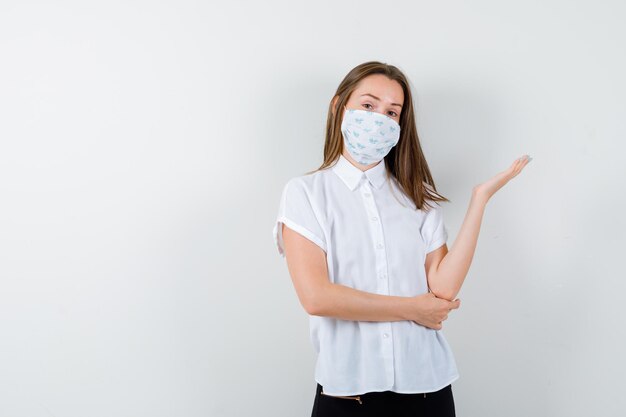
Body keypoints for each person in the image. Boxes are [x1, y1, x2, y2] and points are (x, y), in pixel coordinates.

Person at [272, 61, 531, 417]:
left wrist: (479, 201)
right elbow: (317, 297)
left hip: (428, 390)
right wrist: (412, 308)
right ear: (339, 107)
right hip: (348, 395)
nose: (379, 118)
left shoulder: (416, 197)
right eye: (368, 105)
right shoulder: (306, 193)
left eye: (392, 112)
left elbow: (442, 290)